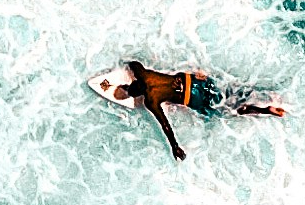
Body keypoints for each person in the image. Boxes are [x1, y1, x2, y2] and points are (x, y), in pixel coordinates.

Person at [89, 61, 286, 163]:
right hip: (198, 81)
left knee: (229, 110)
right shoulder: (144, 75)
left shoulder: (151, 100)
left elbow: (165, 124)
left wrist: (175, 146)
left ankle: (265, 110)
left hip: (195, 100)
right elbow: (132, 63)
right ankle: (267, 90)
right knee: (232, 90)